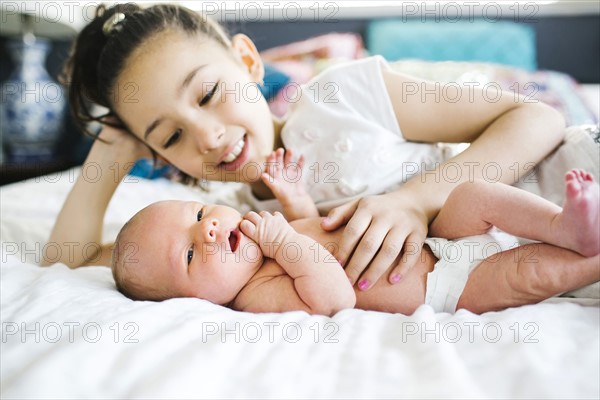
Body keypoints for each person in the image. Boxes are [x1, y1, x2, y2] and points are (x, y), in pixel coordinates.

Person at [44, 3, 568, 292]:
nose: (206, 136)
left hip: (566, 176)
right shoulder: (233, 229)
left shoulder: (343, 94)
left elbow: (535, 117)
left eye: (206, 93)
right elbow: (69, 261)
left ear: (248, 63)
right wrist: (113, 145)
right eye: (171, 136)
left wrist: (415, 201)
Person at [111, 147, 599, 315]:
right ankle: (589, 255)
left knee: (473, 194)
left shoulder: (261, 238)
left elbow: (315, 224)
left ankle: (564, 225)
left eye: (199, 216)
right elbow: (332, 298)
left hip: (431, 238)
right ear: (192, 303)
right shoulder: (253, 296)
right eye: (192, 257)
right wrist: (285, 242)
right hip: (448, 287)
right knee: (528, 273)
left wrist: (293, 198)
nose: (211, 232)